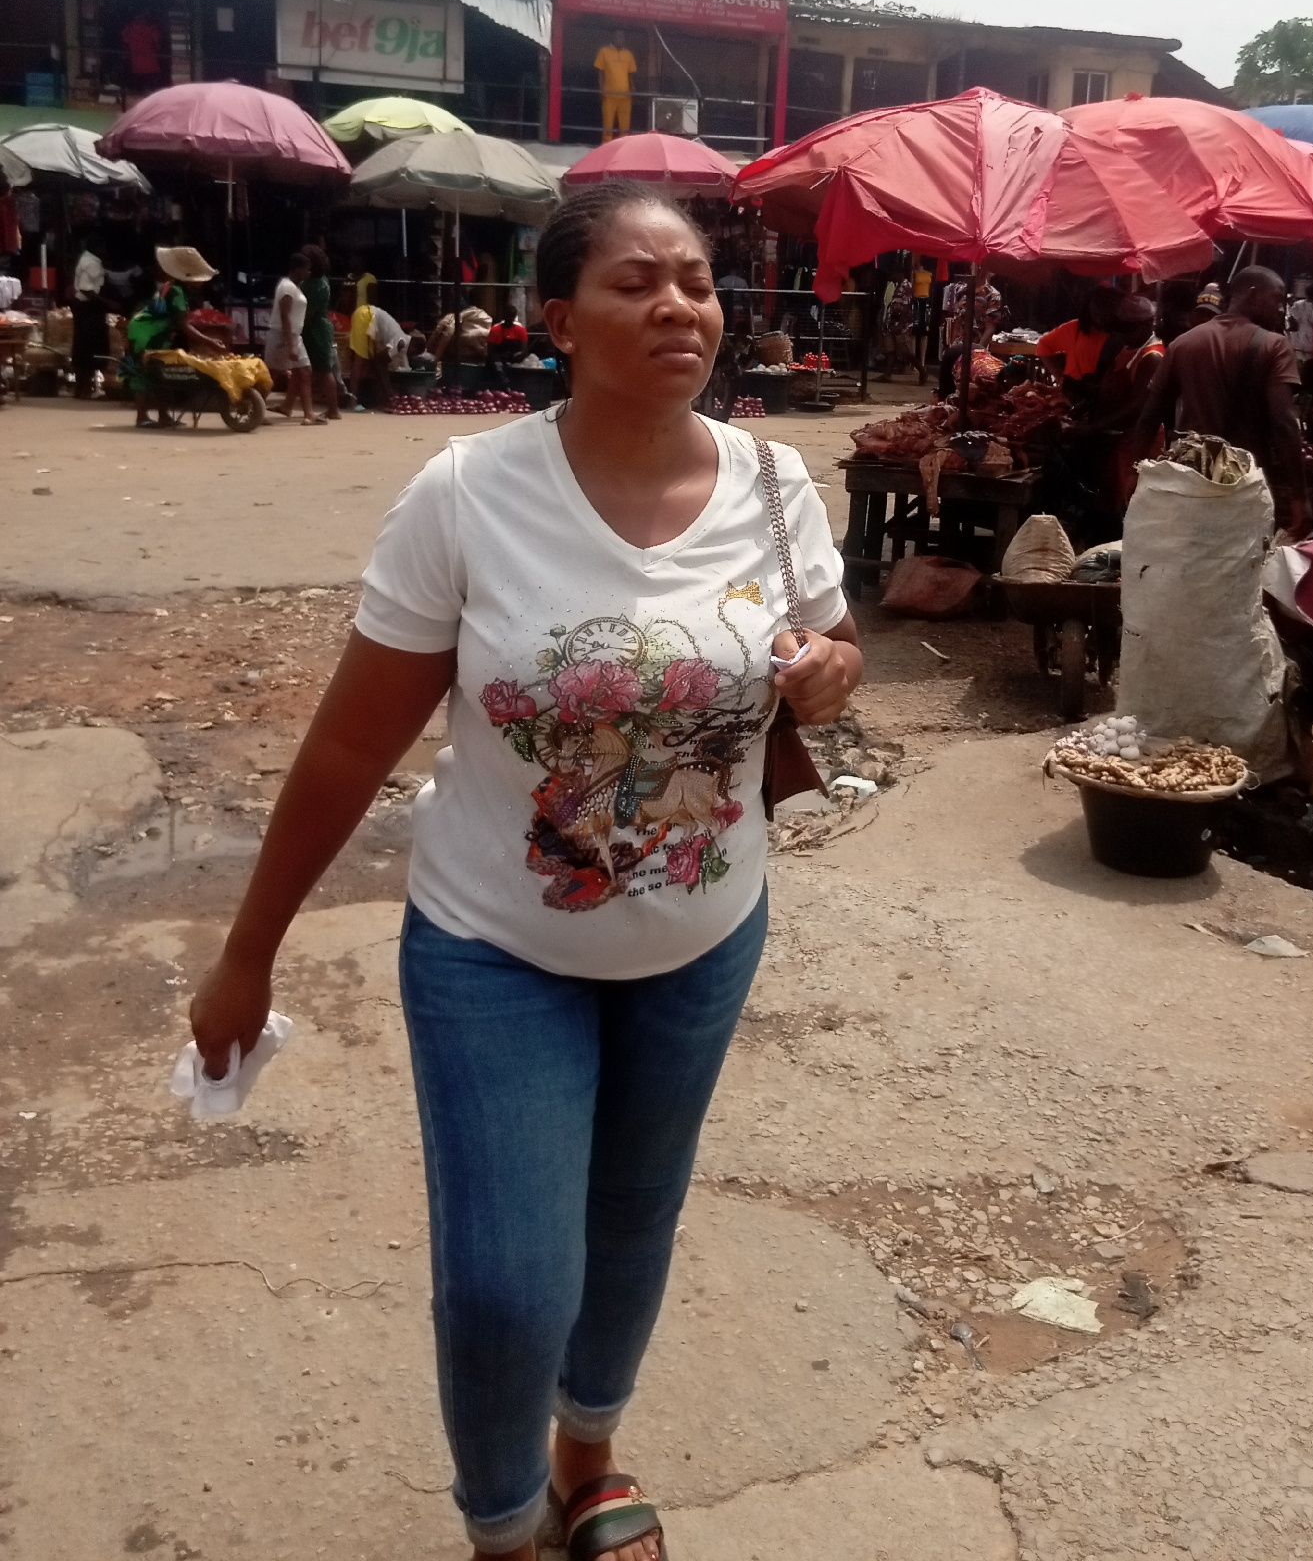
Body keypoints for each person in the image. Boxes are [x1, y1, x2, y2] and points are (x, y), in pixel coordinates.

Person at [189, 179, 861, 1561]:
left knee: (634, 1219)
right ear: (557, 319)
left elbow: (829, 651)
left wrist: (832, 674)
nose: (678, 306)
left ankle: (588, 1458)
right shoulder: (469, 495)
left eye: (696, 282)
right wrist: (248, 952)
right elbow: (347, 746)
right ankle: (503, 1527)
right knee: (507, 1280)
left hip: (702, 941)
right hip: (495, 949)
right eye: (635, 282)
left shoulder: (774, 483)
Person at [1134, 264, 1312, 534]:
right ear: (1252, 294)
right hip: (1245, 481)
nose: (1280, 309)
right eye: (1276, 299)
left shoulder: (1183, 343)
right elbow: (1284, 423)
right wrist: (1300, 496)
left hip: (1191, 479)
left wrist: (1135, 473)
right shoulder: (1274, 345)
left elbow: (1150, 415)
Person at [120, 246, 225, 428]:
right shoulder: (176, 291)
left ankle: (164, 416)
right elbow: (183, 325)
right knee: (144, 374)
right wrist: (210, 342)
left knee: (160, 374)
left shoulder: (174, 288)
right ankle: (141, 417)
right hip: (145, 333)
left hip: (156, 333)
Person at [1088, 292, 1165, 521]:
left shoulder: (1152, 357)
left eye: (1128, 329)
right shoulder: (1129, 347)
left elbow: (1137, 408)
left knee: (1131, 505)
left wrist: (1091, 428)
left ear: (1148, 325)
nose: (1122, 335)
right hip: (1120, 440)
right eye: (1120, 328)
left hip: (1140, 443)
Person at [1036, 286, 1122, 409]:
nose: (1100, 318)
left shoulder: (1119, 335)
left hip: (1106, 399)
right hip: (1072, 397)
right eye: (1096, 313)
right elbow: (1043, 345)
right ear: (1089, 310)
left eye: (1105, 313)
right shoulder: (1074, 328)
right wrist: (1060, 377)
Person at [265, 251, 318, 425]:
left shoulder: (293, 287)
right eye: (306, 269)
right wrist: (291, 345)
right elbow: (285, 315)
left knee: (303, 372)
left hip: (293, 335)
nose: (308, 272)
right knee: (271, 375)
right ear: (297, 269)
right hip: (284, 335)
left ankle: (307, 413)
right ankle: (253, 408)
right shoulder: (287, 287)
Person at [349, 279, 410, 409]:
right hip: (366, 316)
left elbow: (378, 363)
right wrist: (390, 391)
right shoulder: (401, 343)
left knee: (368, 362)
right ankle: (352, 400)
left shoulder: (400, 338)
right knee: (359, 360)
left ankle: (374, 400)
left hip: (368, 319)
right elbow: (380, 363)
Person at [300, 244, 342, 423]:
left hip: (316, 329)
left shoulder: (318, 285)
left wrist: (297, 327)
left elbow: (309, 313)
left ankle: (333, 409)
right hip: (313, 327)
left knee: (324, 370)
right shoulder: (314, 281)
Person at [71, 234, 107, 401]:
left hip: (83, 307)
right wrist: (107, 302)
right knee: (89, 347)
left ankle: (81, 387)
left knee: (82, 346)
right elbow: (86, 289)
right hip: (89, 308)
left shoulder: (87, 259)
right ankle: (85, 387)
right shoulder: (92, 262)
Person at [593, 27, 638, 142]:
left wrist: (633, 88)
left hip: (625, 97)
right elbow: (600, 73)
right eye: (618, 36)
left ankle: (624, 147)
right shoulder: (604, 52)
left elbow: (631, 74)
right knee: (608, 126)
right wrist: (601, 90)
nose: (620, 39)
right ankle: (606, 146)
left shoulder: (628, 54)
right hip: (609, 96)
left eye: (622, 37)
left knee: (625, 127)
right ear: (612, 37)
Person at [488, 301, 530, 368]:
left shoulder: (521, 330)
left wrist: (517, 357)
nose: (509, 318)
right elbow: (490, 351)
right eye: (507, 315)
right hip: (499, 362)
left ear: (514, 316)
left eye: (511, 316)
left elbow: (524, 351)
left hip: (516, 363)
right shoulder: (495, 330)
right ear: (503, 316)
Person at [1287, 277, 1313, 364]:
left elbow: (1292, 319)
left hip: (1298, 337)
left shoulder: (1298, 304)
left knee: (1297, 362)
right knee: (1308, 362)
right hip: (1312, 339)